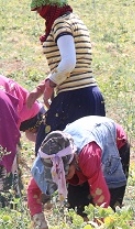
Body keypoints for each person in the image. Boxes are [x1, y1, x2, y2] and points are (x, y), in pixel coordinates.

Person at [28, 116, 130, 229]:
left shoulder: (89, 155)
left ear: (75, 160)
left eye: (66, 174)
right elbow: (33, 190)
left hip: (112, 142)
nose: (63, 180)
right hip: (83, 139)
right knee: (77, 209)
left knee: (110, 210)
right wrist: (40, 225)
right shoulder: (45, 160)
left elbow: (102, 198)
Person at [28, 0, 106, 153]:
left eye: (40, 9)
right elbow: (74, 68)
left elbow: (69, 62)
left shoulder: (61, 24)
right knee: (86, 157)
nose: (39, 14)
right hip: (90, 95)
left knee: (51, 155)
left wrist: (51, 84)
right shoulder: (75, 20)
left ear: (49, 5)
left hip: (74, 98)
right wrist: (42, 87)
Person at [0, 76, 45, 207]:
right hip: (22, 111)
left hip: (30, 116)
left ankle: (12, 200)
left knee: (8, 158)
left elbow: (9, 143)